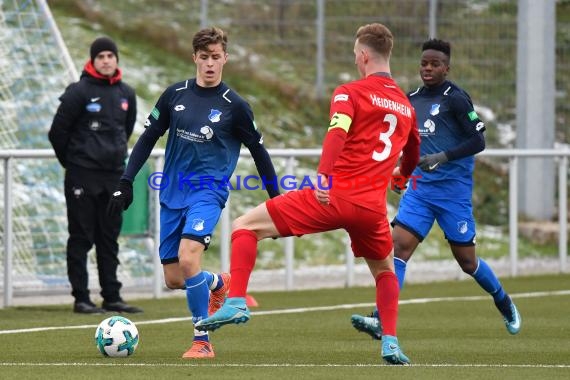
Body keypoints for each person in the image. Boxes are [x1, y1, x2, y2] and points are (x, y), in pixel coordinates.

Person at [195, 23, 420, 366]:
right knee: (386, 271)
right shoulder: (406, 106)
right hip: (372, 208)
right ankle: (389, 341)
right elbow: (414, 153)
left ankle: (236, 300)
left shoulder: (350, 92)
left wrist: (324, 177)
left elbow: (337, 133)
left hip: (335, 196)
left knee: (245, 225)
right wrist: (401, 177)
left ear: (362, 55)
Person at [106, 27, 280, 359]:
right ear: (194, 58)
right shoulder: (175, 95)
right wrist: (126, 180)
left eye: (216, 57)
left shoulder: (236, 107)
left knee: (188, 259)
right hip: (172, 193)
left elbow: (259, 152)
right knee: (174, 278)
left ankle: (202, 340)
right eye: (204, 58)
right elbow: (146, 138)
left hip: (208, 193)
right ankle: (219, 284)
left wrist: (277, 199)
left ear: (225, 58)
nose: (210, 65)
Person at [350, 38, 521, 340]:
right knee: (398, 249)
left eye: (435, 64)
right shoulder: (411, 99)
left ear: (446, 68)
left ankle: (503, 301)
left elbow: (478, 140)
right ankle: (380, 319)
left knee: (467, 262)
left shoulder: (456, 99)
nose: (428, 69)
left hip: (453, 193)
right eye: (424, 63)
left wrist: (442, 157)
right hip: (420, 189)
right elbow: (404, 141)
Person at [48, 37, 142, 315]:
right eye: (100, 56)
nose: (105, 60)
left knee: (109, 238)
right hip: (82, 175)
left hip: (113, 176)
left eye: (110, 55)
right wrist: (74, 162)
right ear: (92, 60)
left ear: (116, 59)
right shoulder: (78, 92)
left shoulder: (127, 93)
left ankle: (112, 296)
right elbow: (57, 133)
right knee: (81, 237)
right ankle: (81, 298)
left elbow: (125, 131)